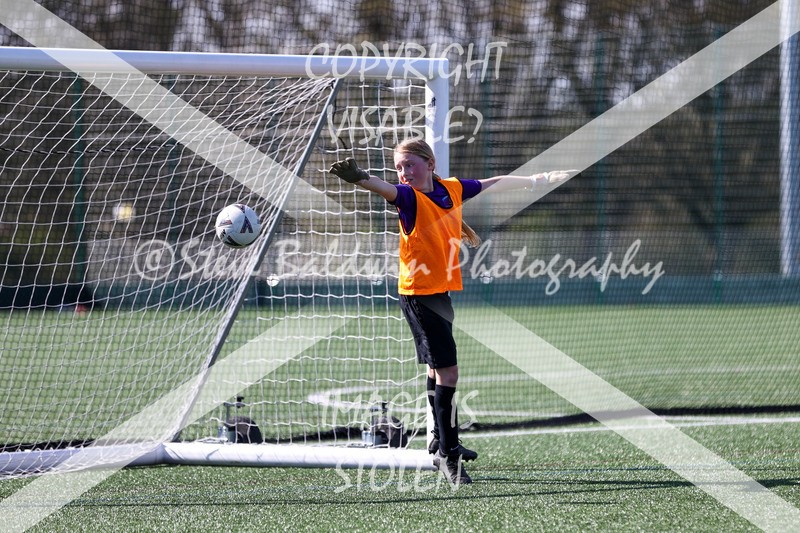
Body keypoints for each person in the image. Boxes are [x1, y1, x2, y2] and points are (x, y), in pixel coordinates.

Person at [329, 139, 575, 486]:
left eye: (410, 164)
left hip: (439, 293)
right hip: (419, 296)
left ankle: (441, 439)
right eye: (399, 167)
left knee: (436, 368)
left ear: (430, 164)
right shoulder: (408, 197)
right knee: (449, 372)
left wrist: (539, 179)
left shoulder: (451, 189)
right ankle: (448, 453)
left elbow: (494, 183)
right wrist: (360, 177)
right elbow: (383, 189)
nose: (404, 172)